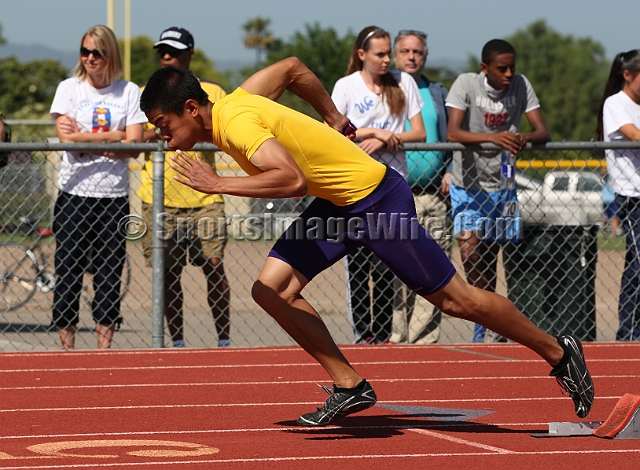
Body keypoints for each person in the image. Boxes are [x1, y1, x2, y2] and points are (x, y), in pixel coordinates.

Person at [140, 56, 593, 426]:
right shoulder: (238, 99)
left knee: (457, 301)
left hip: (375, 201)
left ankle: (558, 351)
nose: (161, 134)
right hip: (339, 204)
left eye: (163, 122)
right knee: (271, 289)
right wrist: (333, 115)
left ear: (193, 110)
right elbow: (293, 68)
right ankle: (350, 385)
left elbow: (292, 179)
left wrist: (218, 185)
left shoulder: (237, 125)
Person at [445, 39, 551, 343]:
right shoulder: (466, 83)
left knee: (490, 256)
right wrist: (494, 137)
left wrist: (522, 138)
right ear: (484, 68)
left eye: (512, 67)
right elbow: (453, 132)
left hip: (502, 184)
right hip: (468, 184)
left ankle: (489, 327)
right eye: (501, 68)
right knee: (469, 250)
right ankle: (483, 316)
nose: (508, 74)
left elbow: (543, 131)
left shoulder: (520, 85)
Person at [49, 25, 146, 349]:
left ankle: (104, 350)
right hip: (74, 193)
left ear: (110, 55)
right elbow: (66, 142)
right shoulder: (69, 89)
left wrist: (84, 140)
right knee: (68, 270)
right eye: (85, 51)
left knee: (109, 272)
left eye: (97, 53)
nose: (90, 58)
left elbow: (135, 145)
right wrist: (114, 138)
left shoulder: (128, 91)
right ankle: (68, 347)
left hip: (113, 196)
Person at [331, 26, 426, 344]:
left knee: (389, 264)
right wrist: (371, 131)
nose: (387, 60)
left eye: (389, 53)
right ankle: (363, 335)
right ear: (362, 55)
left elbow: (419, 133)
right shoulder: (346, 87)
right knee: (358, 264)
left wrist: (384, 139)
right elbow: (332, 135)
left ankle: (384, 336)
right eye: (380, 54)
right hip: (355, 189)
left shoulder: (404, 83)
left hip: (393, 186)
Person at [138, 27, 230, 348]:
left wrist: (171, 121)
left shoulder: (213, 92)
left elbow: (221, 128)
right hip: (160, 198)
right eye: (162, 51)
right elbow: (136, 137)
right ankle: (177, 343)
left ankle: (225, 342)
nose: (167, 57)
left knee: (214, 267)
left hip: (206, 197)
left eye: (174, 52)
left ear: (190, 54)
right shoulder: (146, 93)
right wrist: (169, 124)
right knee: (169, 274)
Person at [390, 29, 451, 344]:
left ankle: (424, 340)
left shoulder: (438, 92)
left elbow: (450, 134)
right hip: (397, 196)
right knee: (402, 270)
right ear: (395, 55)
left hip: (434, 196)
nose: (412, 57)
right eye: (406, 51)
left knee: (435, 268)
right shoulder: (385, 89)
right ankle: (398, 335)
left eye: (418, 52)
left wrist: (450, 169)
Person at [596, 49, 640, 341]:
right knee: (638, 263)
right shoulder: (616, 103)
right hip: (631, 194)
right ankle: (629, 333)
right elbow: (634, 134)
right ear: (628, 75)